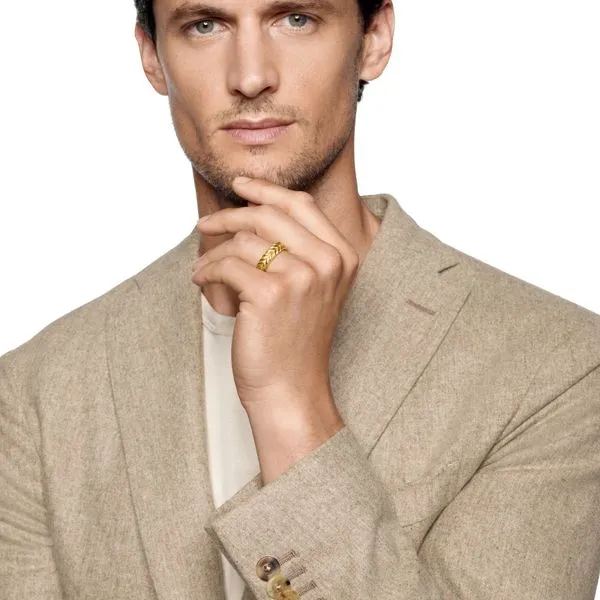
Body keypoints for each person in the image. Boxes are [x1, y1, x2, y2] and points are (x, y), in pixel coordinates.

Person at [1, 0, 599, 598]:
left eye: (296, 19)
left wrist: (289, 402)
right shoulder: (35, 393)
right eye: (204, 25)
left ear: (373, 39)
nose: (251, 76)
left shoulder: (560, 367)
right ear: (152, 57)